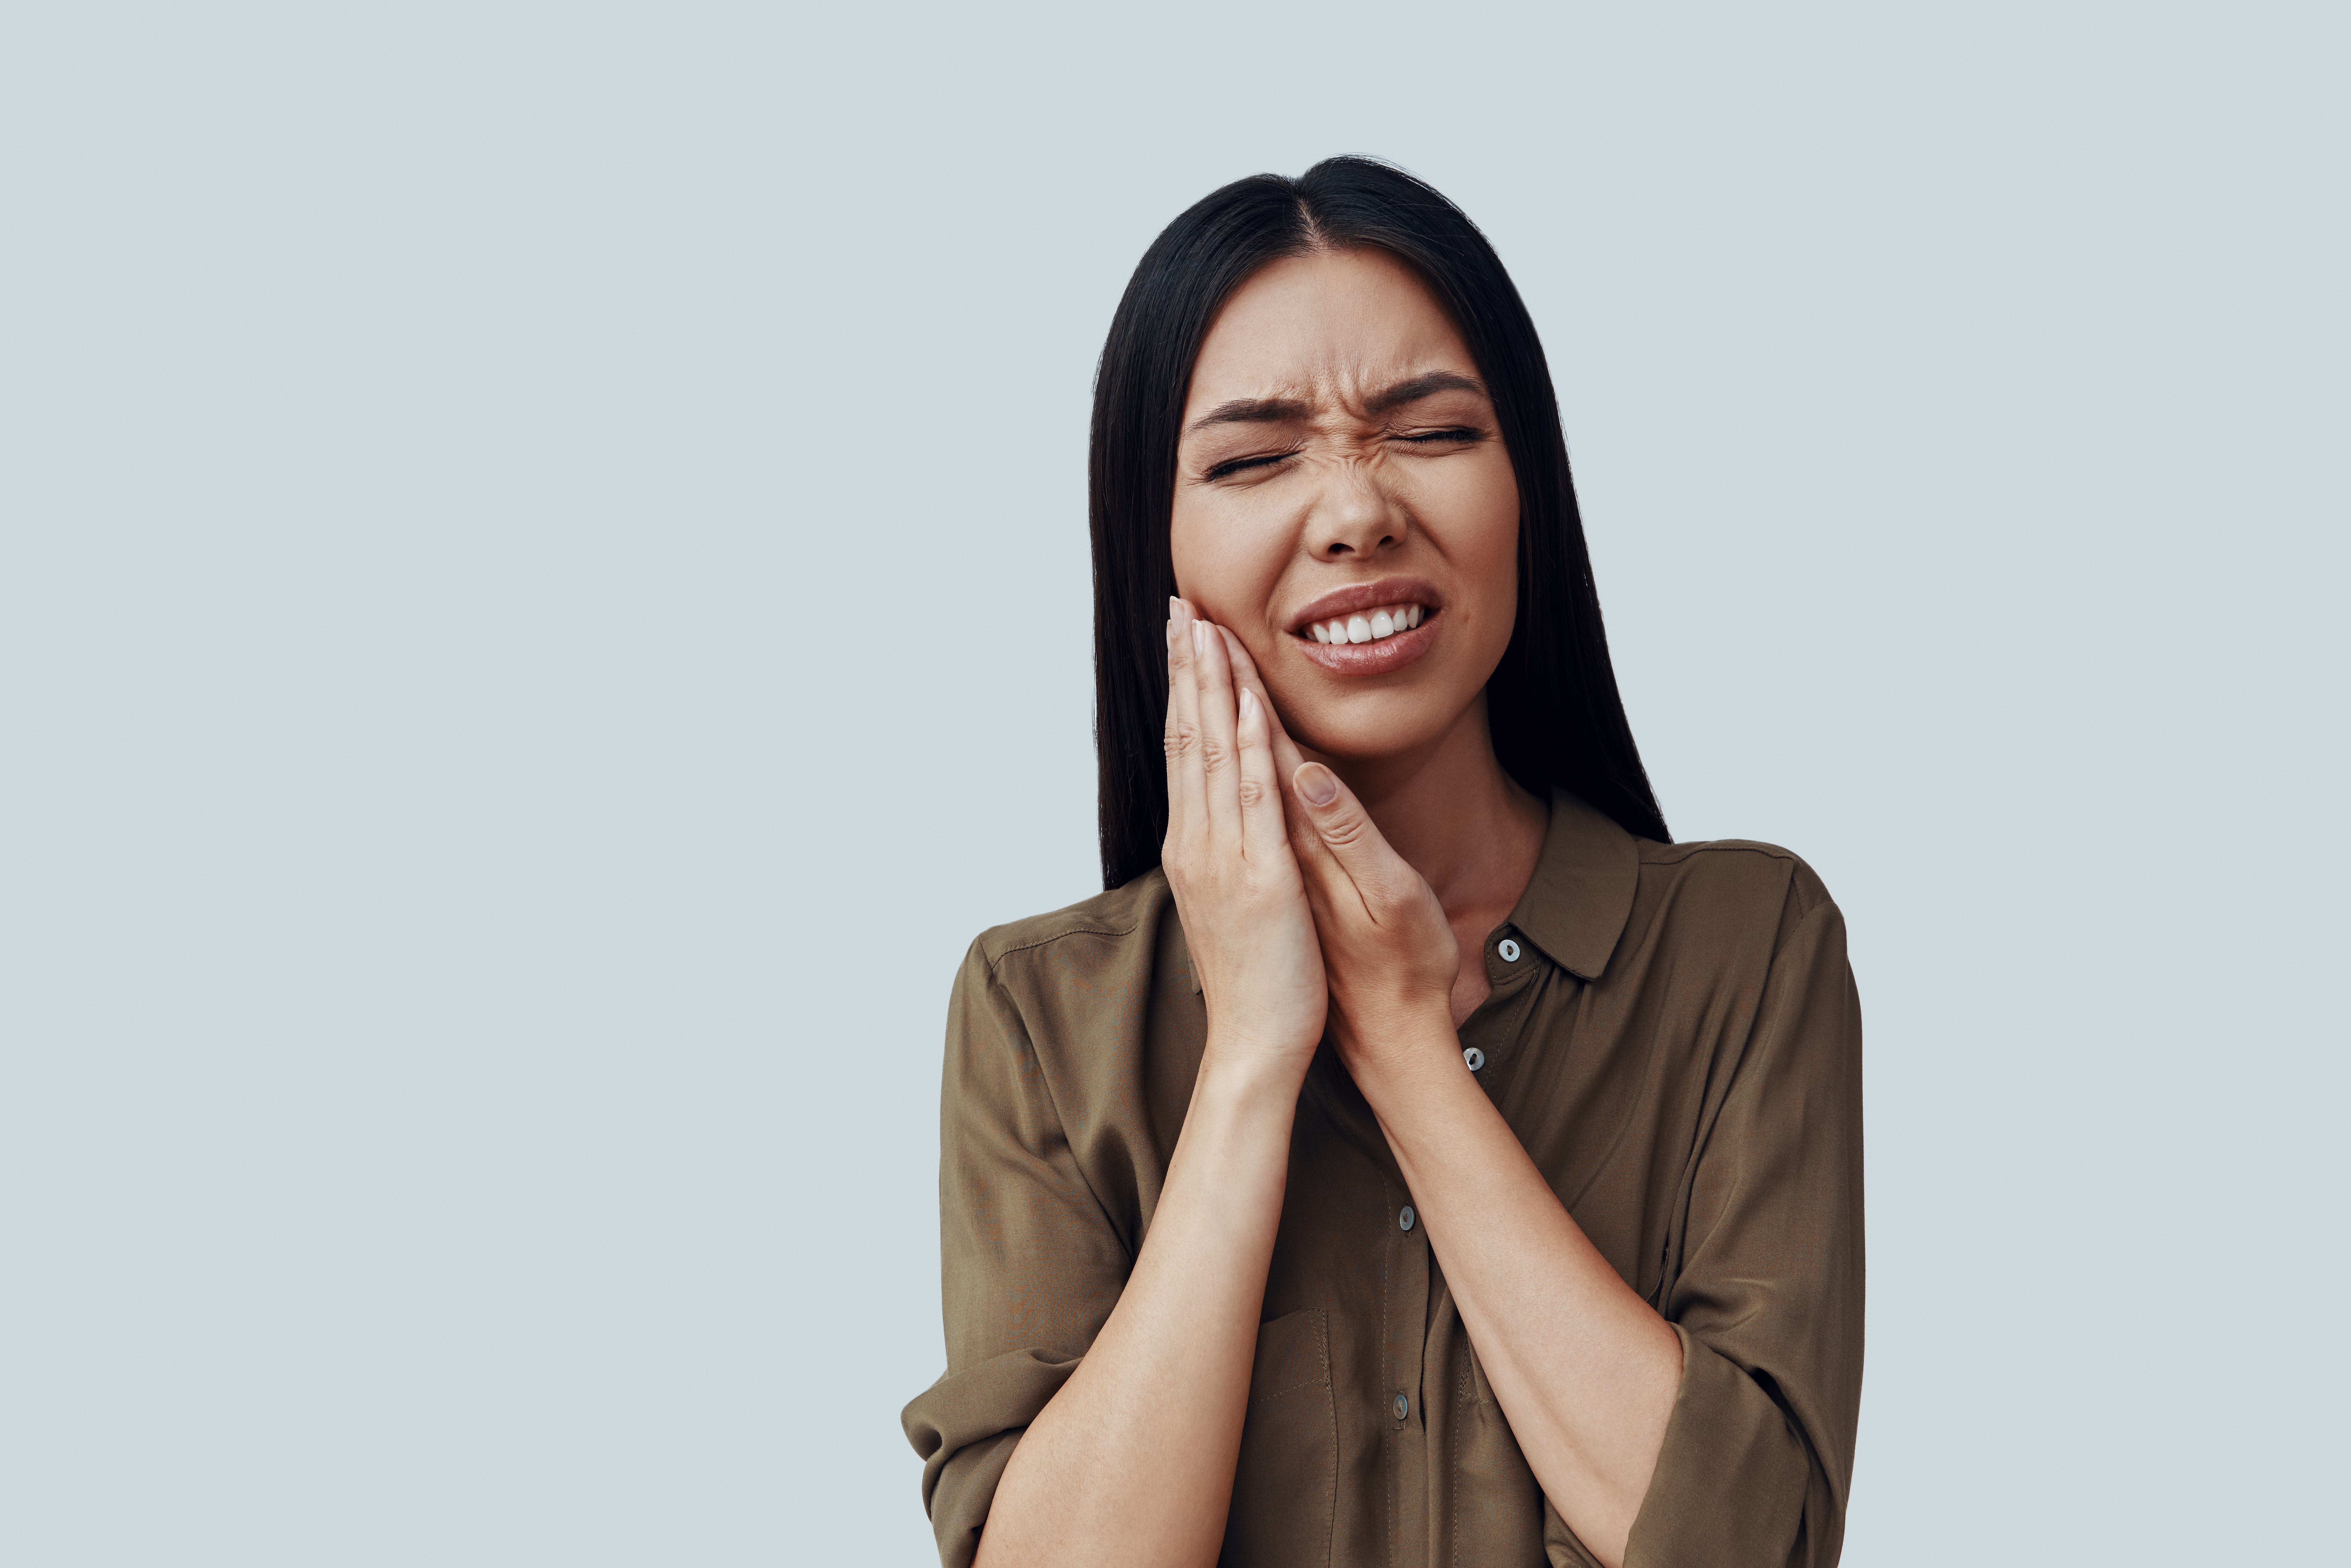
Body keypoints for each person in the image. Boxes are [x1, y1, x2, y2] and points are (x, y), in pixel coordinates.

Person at [901, 157, 1864, 1568]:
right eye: (1251, 460)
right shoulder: (1040, 1012)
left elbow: (1749, 1549)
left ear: (1527, 487)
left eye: (1430, 432)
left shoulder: (1746, 944)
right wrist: (1250, 1055)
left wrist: (1407, 1045)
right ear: (1151, 548)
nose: (1355, 512)